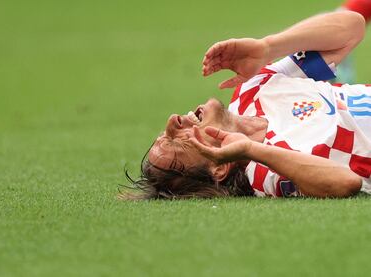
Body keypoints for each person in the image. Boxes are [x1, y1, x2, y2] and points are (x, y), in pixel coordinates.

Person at [122, 10, 371, 200]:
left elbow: (352, 27)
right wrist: (251, 150)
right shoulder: (264, 170)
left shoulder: (252, 90)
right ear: (218, 167)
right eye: (178, 140)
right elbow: (346, 182)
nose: (173, 121)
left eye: (164, 133)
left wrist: (269, 47)